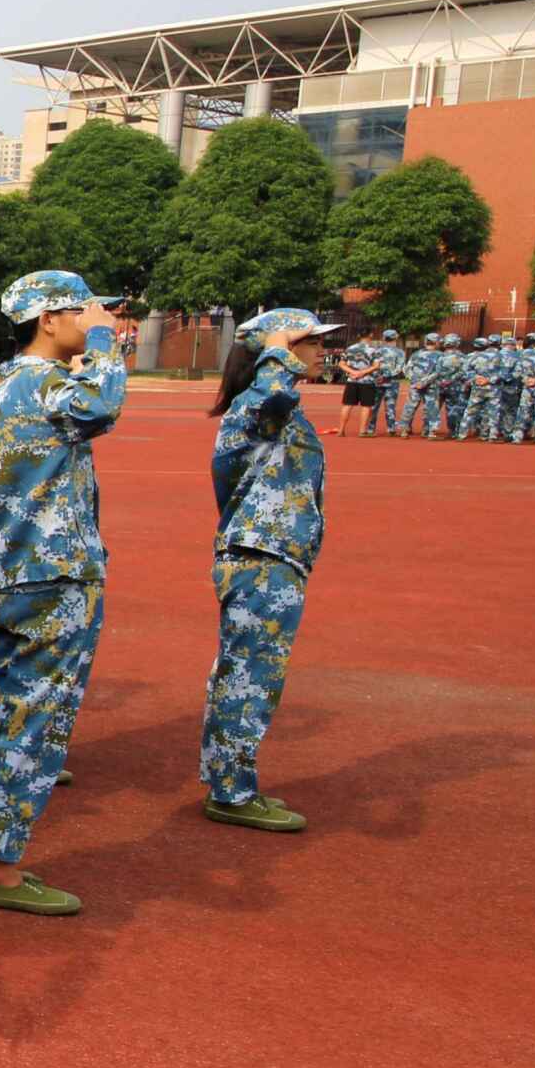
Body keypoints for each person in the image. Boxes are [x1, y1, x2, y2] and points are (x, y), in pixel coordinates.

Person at [0, 270, 127, 918]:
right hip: (53, 580)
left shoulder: (9, 391)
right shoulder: (46, 385)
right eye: (82, 309)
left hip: (16, 578)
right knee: (36, 721)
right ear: (47, 320)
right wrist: (107, 342)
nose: (97, 317)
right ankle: (1, 867)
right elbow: (103, 405)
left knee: (0, 713)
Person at [198, 309, 334, 834]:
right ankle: (230, 791)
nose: (320, 352)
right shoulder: (259, 407)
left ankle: (229, 781)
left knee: (250, 674)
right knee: (250, 677)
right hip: (261, 560)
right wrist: (278, 347)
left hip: (274, 558)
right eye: (310, 343)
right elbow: (275, 394)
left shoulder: (277, 413)